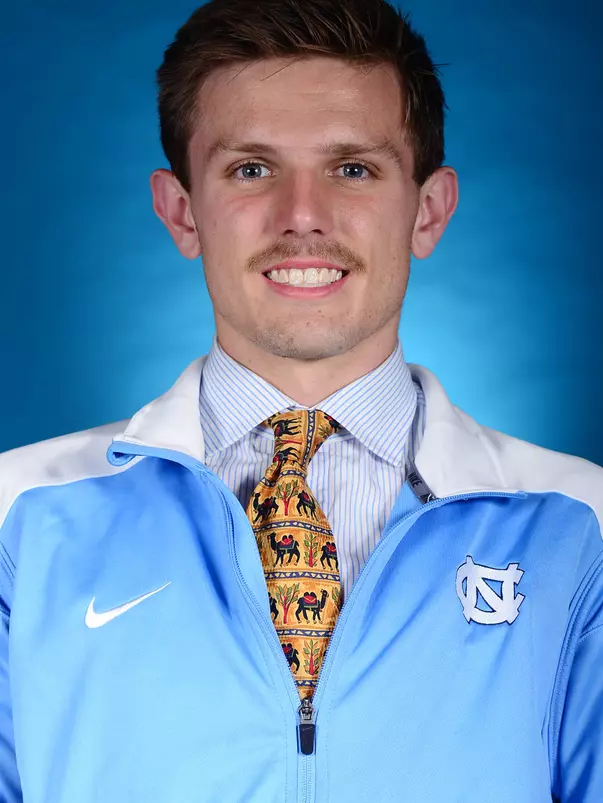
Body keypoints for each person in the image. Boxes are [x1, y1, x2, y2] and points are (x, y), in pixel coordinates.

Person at [0, 0, 601, 799]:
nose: (302, 218)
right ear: (182, 210)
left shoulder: (580, 525)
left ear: (428, 209)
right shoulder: (18, 518)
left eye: (352, 168)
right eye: (252, 169)